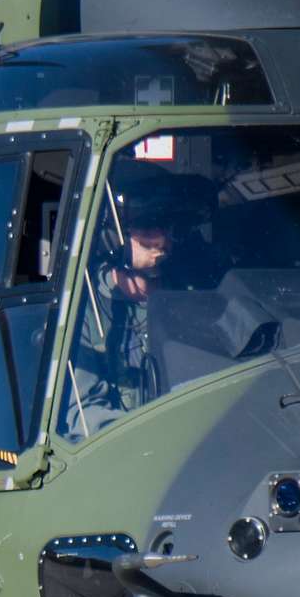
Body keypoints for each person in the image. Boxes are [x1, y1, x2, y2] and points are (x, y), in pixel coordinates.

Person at [65, 175, 189, 437]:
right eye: (146, 227)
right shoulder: (82, 310)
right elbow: (84, 412)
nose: (160, 239)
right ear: (114, 234)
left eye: (166, 226)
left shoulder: (190, 297)